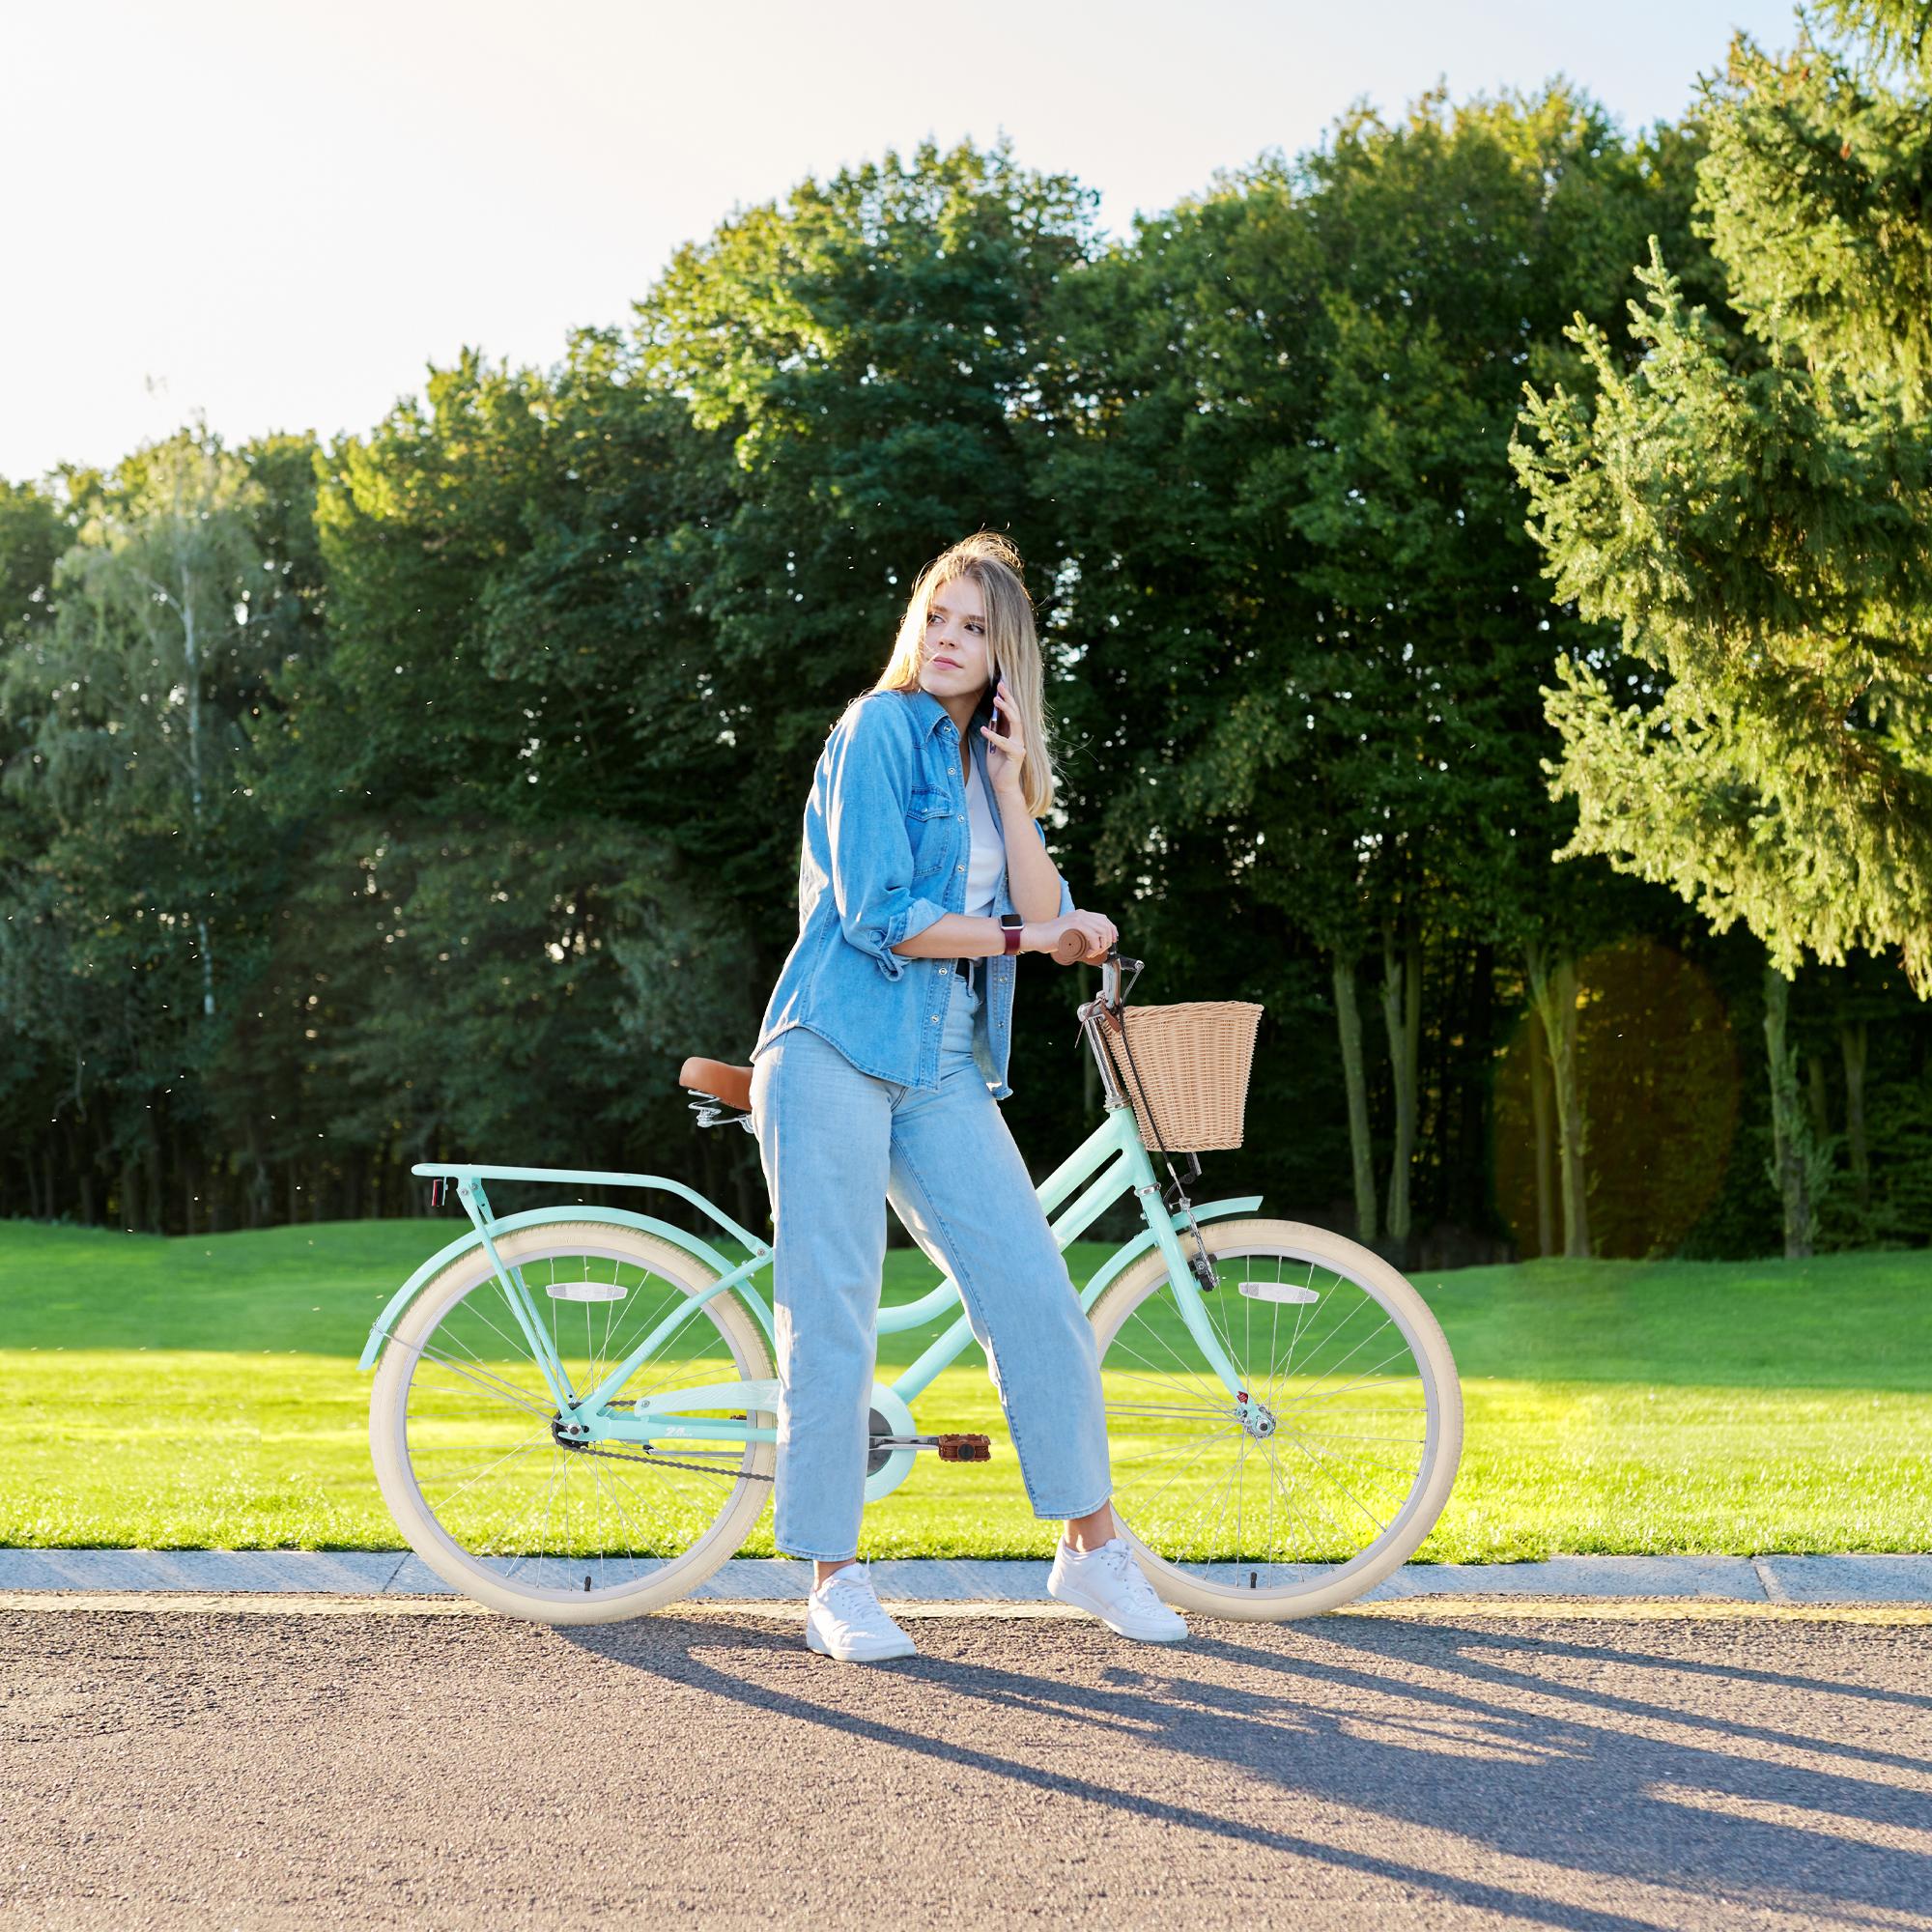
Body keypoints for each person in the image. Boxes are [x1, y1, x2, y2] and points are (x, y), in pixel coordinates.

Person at [747, 531, 1189, 1663]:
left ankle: (1089, 1548)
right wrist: (1028, 932)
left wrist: (1010, 790)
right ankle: (832, 1580)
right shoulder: (876, 729)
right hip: (838, 1036)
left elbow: (1049, 905)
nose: (948, 641)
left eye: (974, 628)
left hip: (941, 1059)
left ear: (1005, 656)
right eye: (936, 617)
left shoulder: (976, 761)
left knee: (1034, 1293)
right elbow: (878, 913)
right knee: (833, 1306)